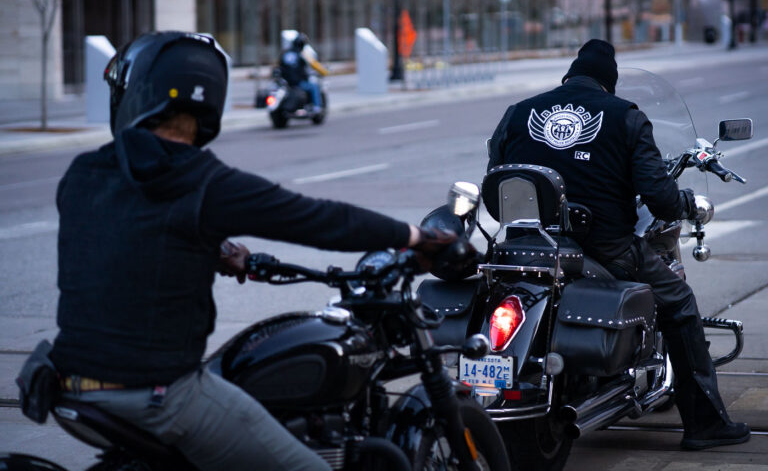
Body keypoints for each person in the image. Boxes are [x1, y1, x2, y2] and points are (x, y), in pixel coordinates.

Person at [49, 31, 456, 470]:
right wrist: (417, 238)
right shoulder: (204, 182)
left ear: (136, 93)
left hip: (65, 380)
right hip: (158, 394)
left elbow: (124, 237)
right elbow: (317, 218)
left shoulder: (84, 172)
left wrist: (211, 247)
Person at [486, 39, 750, 451]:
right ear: (609, 85)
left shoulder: (519, 112)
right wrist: (686, 203)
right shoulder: (625, 116)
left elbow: (496, 180)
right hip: (605, 248)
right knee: (679, 303)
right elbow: (659, 196)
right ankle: (705, 424)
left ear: (568, 77)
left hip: (526, 246)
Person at [278, 32, 328, 113]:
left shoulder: (285, 53)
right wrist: (325, 72)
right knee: (314, 87)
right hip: (297, 82)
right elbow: (312, 65)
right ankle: (317, 107)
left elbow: (279, 66)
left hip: (286, 82)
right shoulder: (301, 54)